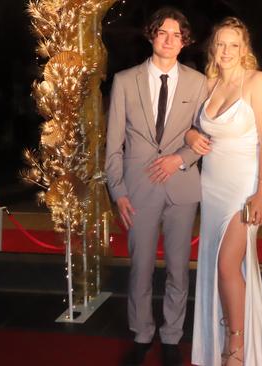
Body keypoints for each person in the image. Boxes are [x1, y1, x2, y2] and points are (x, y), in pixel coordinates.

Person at [185, 17, 262, 366]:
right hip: (212, 187)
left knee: (226, 265)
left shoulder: (258, 83)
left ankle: (236, 346)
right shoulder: (210, 84)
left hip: (243, 189)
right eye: (220, 44)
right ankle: (226, 335)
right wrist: (191, 136)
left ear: (244, 49)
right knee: (223, 266)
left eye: (234, 44)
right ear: (212, 48)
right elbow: (192, 127)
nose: (226, 51)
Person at [104, 7, 207, 366]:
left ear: (184, 41)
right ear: (151, 35)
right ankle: (142, 333)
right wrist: (117, 192)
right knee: (141, 267)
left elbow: (204, 136)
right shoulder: (124, 81)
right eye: (162, 32)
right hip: (138, 188)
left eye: (176, 34)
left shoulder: (198, 83)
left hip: (181, 187)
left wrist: (179, 158)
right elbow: (113, 144)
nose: (169, 39)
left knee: (178, 267)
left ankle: (171, 336)